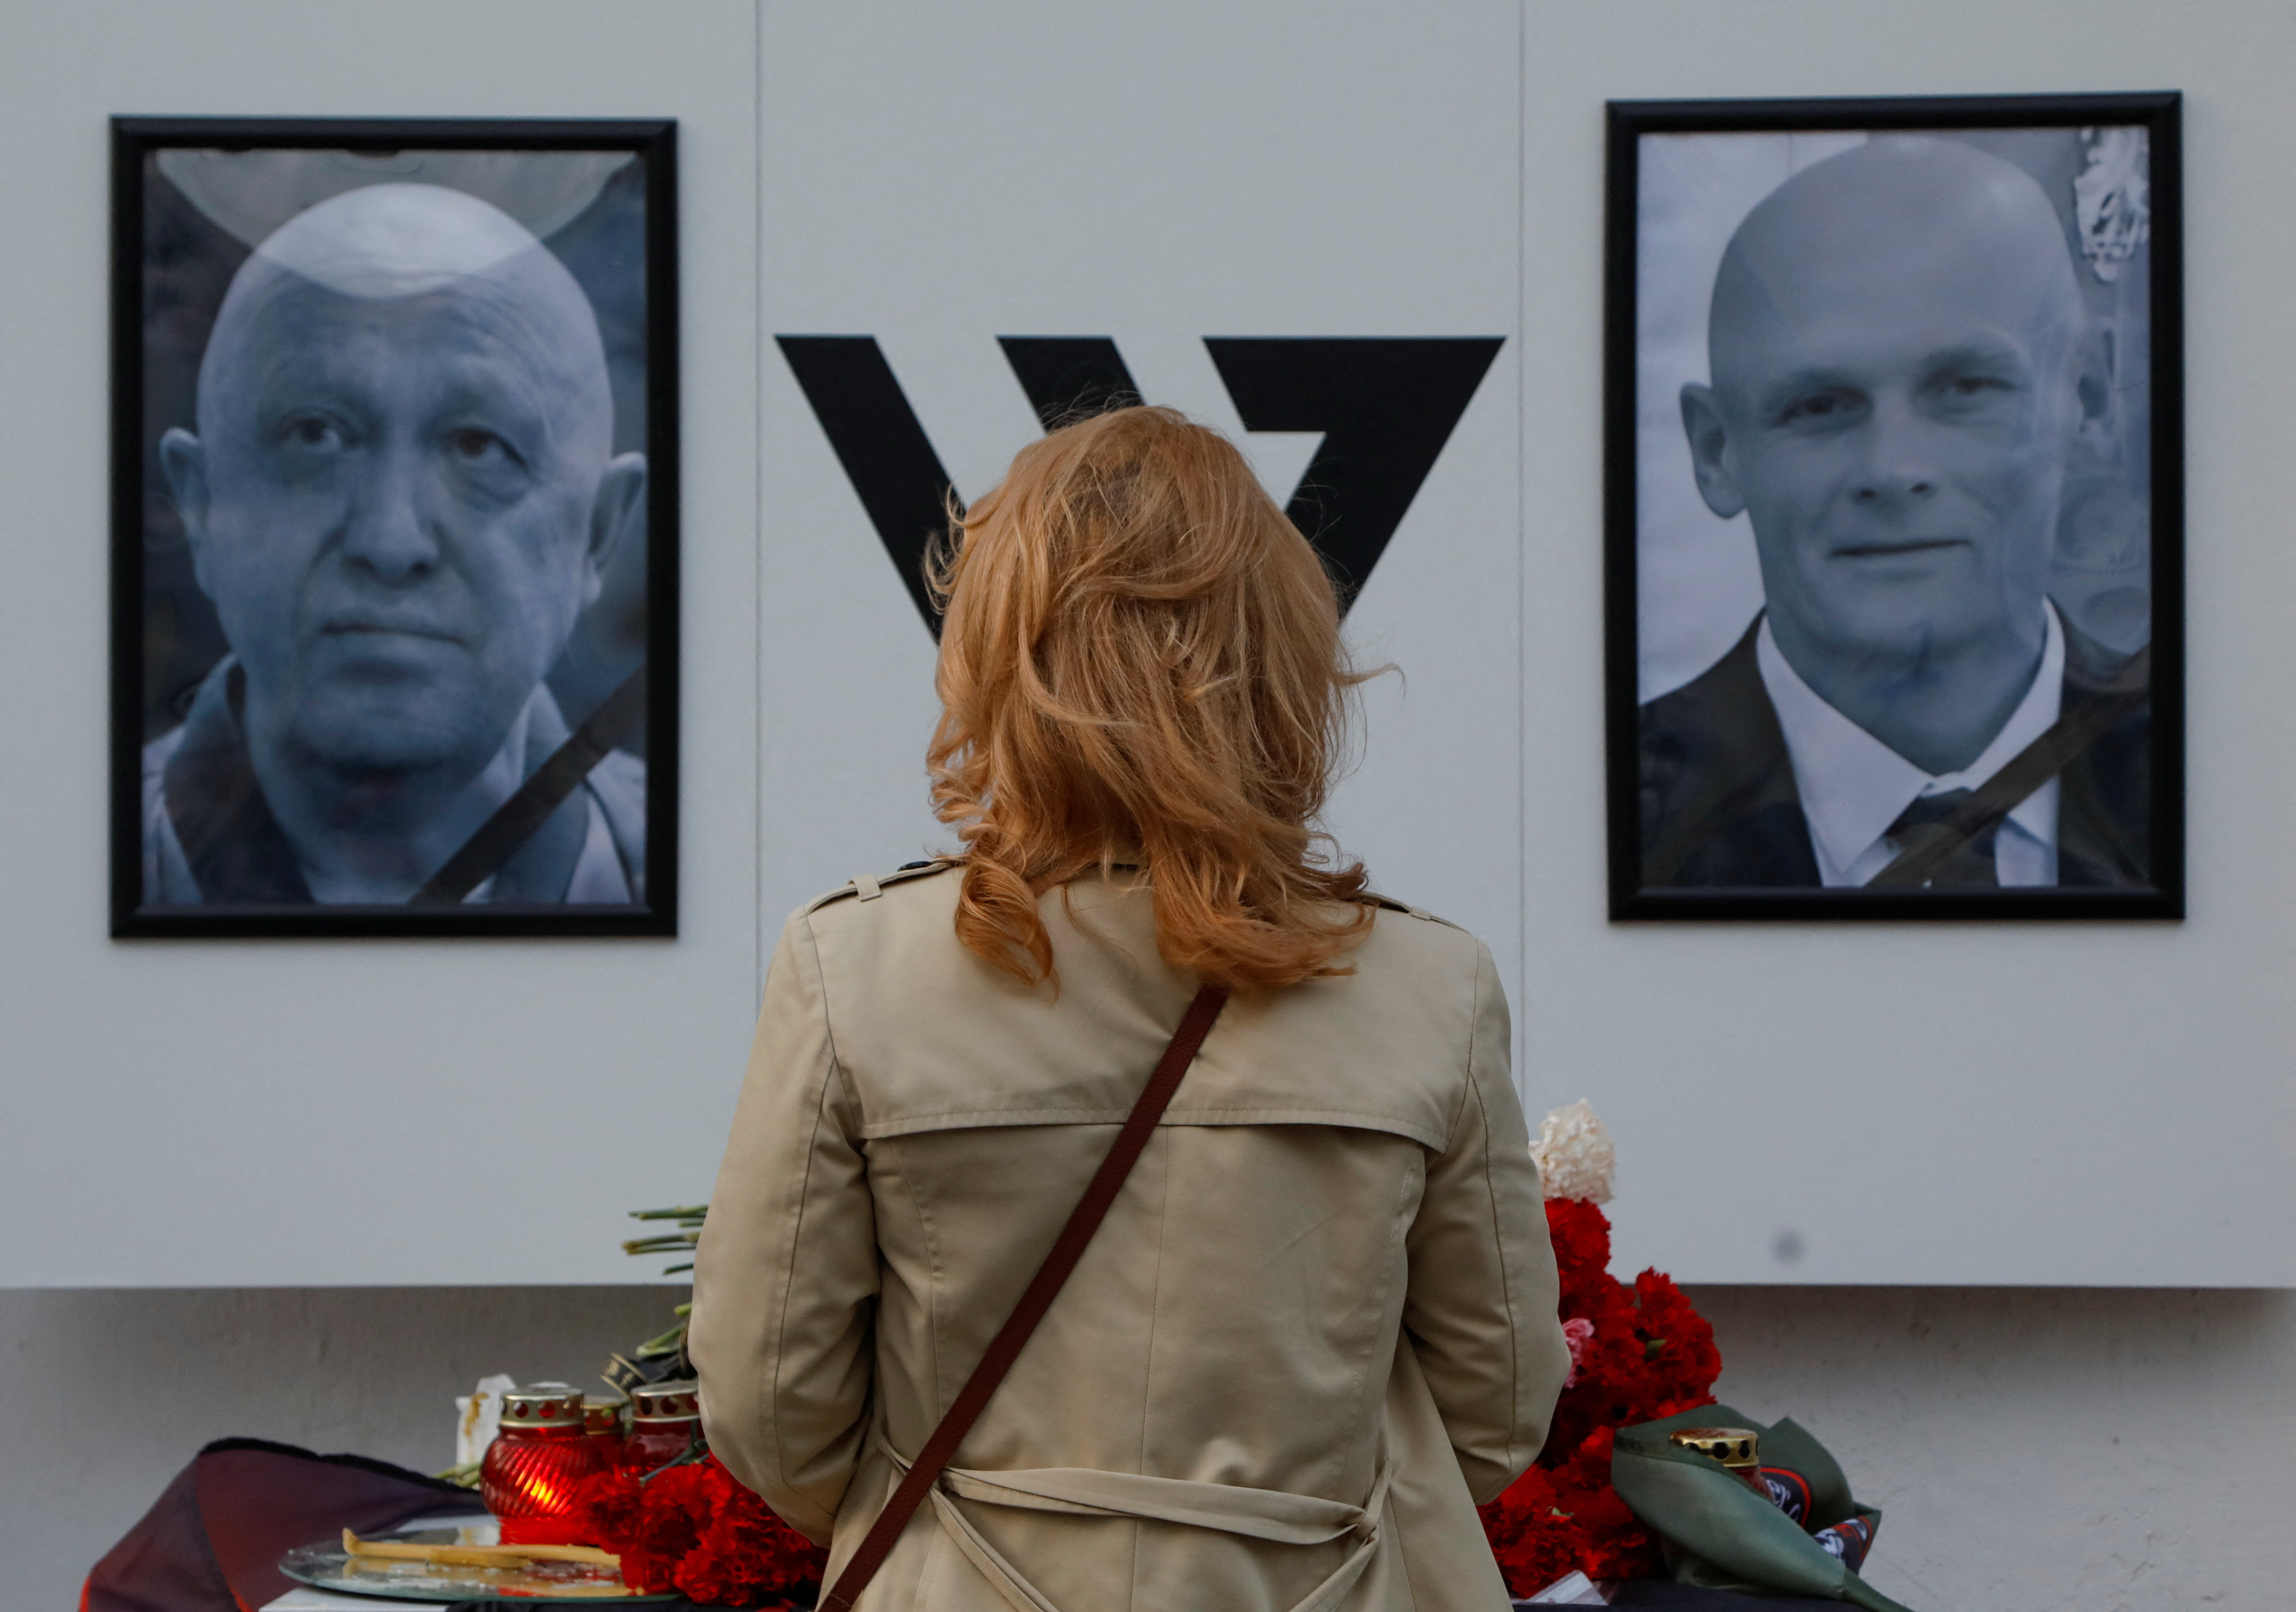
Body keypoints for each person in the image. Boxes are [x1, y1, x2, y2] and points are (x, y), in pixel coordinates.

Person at [691, 406, 1569, 1611]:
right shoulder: (1429, 985)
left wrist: (966, 1528)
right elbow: (1496, 1402)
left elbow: (770, 1408)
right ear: (1286, 657)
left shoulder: (852, 964)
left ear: (997, 645)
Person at [1642, 137, 2150, 891]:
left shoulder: (2242, 785)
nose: (1891, 470)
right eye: (1818, 405)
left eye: (1965, 388)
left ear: (2083, 407)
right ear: (1717, 452)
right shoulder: (1595, 809)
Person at [142, 182, 648, 906]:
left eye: (479, 446)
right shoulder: (42, 878)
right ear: (201, 510)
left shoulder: (734, 891)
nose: (389, 540)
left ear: (597, 536)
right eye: (315, 435)